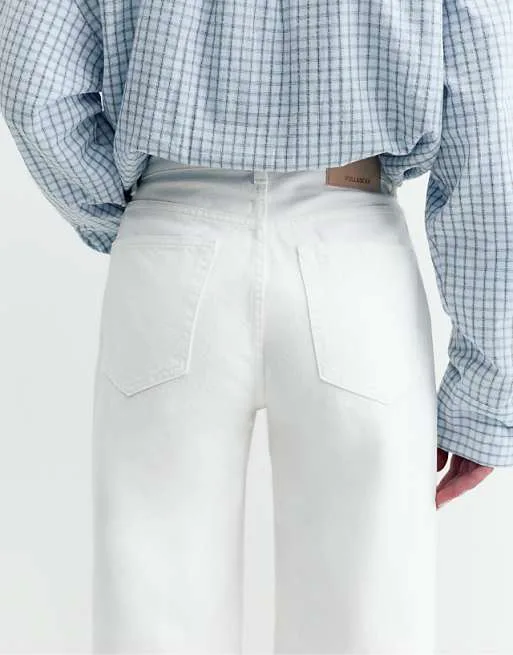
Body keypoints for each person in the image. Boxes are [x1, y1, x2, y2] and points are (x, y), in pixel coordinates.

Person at [0, 0, 508, 652]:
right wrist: (487, 392)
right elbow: (490, 120)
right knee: (369, 624)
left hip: (170, 238)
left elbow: (35, 81)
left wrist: (131, 219)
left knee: (152, 617)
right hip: (352, 247)